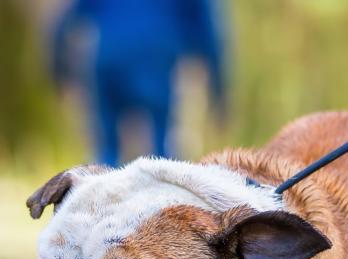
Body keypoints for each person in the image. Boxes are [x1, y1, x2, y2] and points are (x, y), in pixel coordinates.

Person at [50, 0, 225, 166]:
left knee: (107, 147)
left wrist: (58, 70)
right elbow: (208, 31)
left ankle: (98, 187)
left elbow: (68, 20)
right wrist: (219, 88)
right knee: (162, 145)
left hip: (109, 57)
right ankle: (166, 190)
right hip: (155, 60)